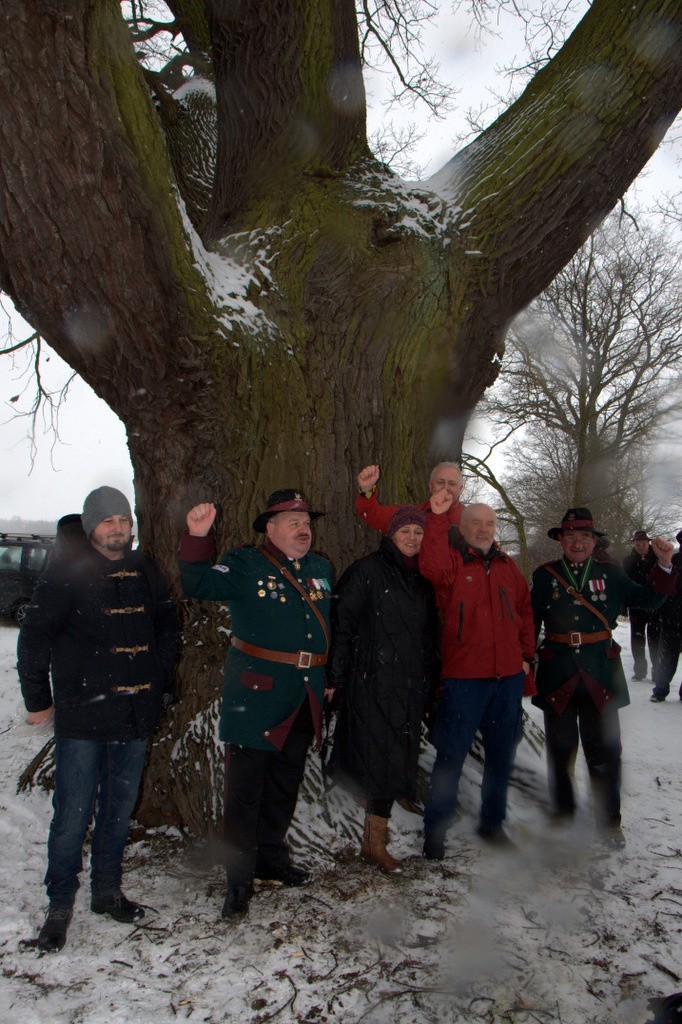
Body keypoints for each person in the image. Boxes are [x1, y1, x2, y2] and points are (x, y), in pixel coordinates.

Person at [18, 486, 178, 953]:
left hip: (134, 714)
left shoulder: (145, 568)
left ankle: (106, 891)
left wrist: (158, 671)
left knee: (117, 810)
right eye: (108, 522)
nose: (118, 529)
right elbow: (33, 637)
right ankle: (60, 903)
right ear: (91, 528)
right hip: (83, 715)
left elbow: (167, 621)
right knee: (71, 815)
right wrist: (37, 700)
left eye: (123, 521)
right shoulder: (64, 574)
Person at [179, 490, 332, 920]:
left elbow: (324, 627)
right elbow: (198, 584)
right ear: (271, 528)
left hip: (305, 694)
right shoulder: (245, 563)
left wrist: (327, 679)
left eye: (307, 522)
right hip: (256, 695)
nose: (304, 530)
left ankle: (271, 861)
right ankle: (238, 881)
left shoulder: (321, 567)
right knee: (244, 796)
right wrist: (197, 537)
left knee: (284, 786)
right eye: (293, 522)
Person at [531, 508, 671, 847]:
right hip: (557, 671)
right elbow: (530, 622)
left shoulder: (611, 574)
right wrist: (524, 658)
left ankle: (609, 821)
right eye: (571, 537)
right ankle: (563, 813)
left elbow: (650, 600)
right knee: (560, 750)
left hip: (600, 674)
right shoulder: (545, 575)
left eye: (584, 537)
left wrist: (665, 564)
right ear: (561, 541)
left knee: (605, 751)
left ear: (594, 541)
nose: (577, 543)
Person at [419, 498, 535, 858]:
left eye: (489, 523)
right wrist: (437, 519)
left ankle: (492, 824)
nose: (484, 529)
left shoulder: (507, 566)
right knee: (450, 758)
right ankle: (435, 832)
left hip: (507, 680)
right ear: (463, 528)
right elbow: (430, 564)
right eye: (476, 523)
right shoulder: (453, 564)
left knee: (501, 756)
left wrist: (527, 657)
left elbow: (525, 613)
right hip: (464, 680)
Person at [327, 506, 439, 873]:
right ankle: (373, 843)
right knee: (375, 761)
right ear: (391, 534)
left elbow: (427, 639)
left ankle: (374, 842)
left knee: (394, 763)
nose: (411, 537)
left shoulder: (423, 580)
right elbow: (341, 626)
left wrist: (427, 684)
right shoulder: (366, 571)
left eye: (417, 532)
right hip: (369, 682)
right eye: (404, 530)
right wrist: (336, 679)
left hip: (406, 688)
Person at [356, 461, 465, 533]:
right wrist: (367, 489)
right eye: (440, 482)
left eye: (452, 484)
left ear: (461, 489)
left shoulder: (471, 521)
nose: (445, 488)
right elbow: (374, 515)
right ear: (430, 487)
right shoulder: (414, 515)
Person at [622, 530, 662, 681]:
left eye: (643, 543)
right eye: (637, 543)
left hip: (654, 606)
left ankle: (657, 671)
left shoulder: (657, 558)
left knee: (655, 640)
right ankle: (639, 671)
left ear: (648, 543)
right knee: (637, 639)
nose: (640, 546)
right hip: (636, 606)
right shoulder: (628, 560)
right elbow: (624, 584)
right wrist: (624, 605)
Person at [651, 530, 682, 703]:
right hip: (673, 618)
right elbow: (663, 586)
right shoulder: (674, 562)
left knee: (667, 656)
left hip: (673, 615)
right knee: (668, 657)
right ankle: (660, 690)